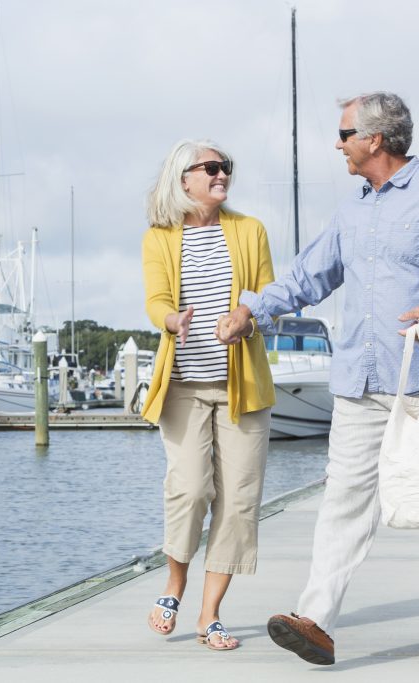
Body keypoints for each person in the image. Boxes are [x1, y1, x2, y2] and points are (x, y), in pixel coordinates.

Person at [217, 91, 419, 664]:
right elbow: (308, 275)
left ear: (375, 139)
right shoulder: (351, 210)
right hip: (359, 377)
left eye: (345, 133)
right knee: (344, 498)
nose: (338, 143)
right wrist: (254, 308)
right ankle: (316, 620)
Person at [141, 139, 277, 651]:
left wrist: (246, 321)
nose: (222, 175)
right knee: (191, 490)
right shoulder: (158, 237)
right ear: (184, 179)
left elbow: (267, 300)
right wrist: (171, 320)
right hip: (183, 387)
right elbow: (156, 298)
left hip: (243, 389)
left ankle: (209, 613)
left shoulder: (250, 231)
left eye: (227, 168)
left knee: (240, 502)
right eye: (212, 168)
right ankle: (174, 583)